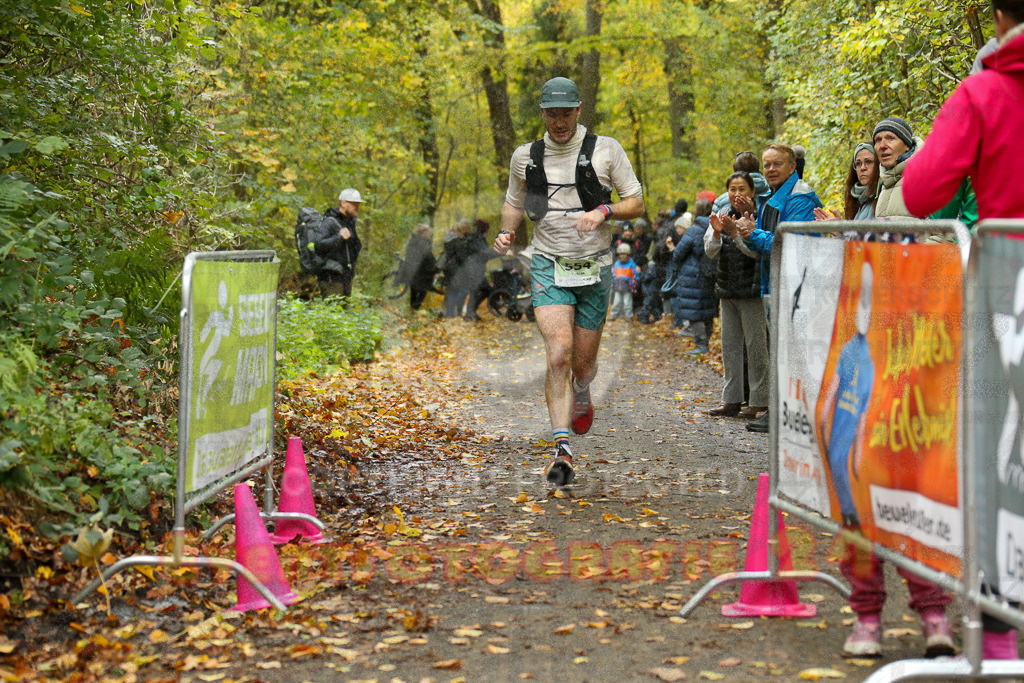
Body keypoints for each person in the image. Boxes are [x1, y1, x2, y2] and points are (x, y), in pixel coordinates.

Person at [901, 0, 1024, 658]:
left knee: (1000, 455)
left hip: (1007, 292)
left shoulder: (984, 90)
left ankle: (1000, 636)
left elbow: (921, 193)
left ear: (1000, 16)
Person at [494, 76, 645, 486]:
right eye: (551, 113)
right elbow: (513, 201)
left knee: (583, 363)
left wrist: (604, 212)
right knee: (557, 353)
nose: (559, 121)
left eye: (566, 112)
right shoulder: (526, 156)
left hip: (594, 266)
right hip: (547, 263)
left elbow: (636, 201)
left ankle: (583, 387)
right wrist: (507, 233)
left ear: (578, 110)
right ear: (542, 113)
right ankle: (561, 450)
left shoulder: (606, 149)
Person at [815, 262, 955, 659]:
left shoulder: (908, 348)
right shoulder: (851, 350)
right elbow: (829, 408)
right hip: (852, 476)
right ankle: (868, 619)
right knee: (861, 545)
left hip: (897, 476)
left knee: (911, 541)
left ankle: (934, 617)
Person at [734, 143, 823, 432]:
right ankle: (780, 411)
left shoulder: (800, 197)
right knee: (781, 350)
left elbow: (789, 244)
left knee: (794, 351)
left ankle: (791, 415)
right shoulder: (771, 198)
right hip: (774, 283)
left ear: (792, 166)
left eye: (777, 164)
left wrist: (754, 233)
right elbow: (763, 244)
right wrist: (748, 231)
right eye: (767, 164)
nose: (771, 169)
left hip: (797, 286)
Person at [705, 172, 768, 418]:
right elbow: (710, 251)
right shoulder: (721, 214)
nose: (737, 194)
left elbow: (756, 252)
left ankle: (759, 401)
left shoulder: (759, 216)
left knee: (756, 347)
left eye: (742, 189)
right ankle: (730, 400)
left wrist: (736, 233)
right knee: (729, 346)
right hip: (727, 289)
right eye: (733, 189)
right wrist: (719, 232)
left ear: (752, 191)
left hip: (752, 291)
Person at [667, 198, 718, 354]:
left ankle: (701, 344)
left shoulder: (694, 230)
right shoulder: (715, 227)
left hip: (693, 276)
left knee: (694, 312)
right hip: (711, 274)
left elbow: (678, 254)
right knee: (707, 310)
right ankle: (704, 341)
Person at [315, 188, 364, 297]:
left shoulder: (350, 223)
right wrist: (340, 237)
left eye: (358, 205)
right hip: (331, 278)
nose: (357, 207)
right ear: (343, 203)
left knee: (343, 314)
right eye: (354, 204)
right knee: (332, 313)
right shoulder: (330, 221)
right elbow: (318, 245)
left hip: (345, 278)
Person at [814, 143, 879, 222]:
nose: (862, 168)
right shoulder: (858, 200)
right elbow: (856, 233)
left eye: (868, 162)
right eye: (858, 164)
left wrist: (842, 230)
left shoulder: (882, 195)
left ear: (878, 164)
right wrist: (840, 228)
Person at [399, 223, 437, 311]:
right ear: (424, 232)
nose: (429, 234)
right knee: (423, 291)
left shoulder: (412, 241)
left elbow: (408, 254)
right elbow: (428, 257)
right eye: (428, 232)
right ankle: (415, 309)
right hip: (423, 271)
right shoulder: (424, 243)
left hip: (412, 269)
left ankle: (412, 309)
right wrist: (434, 269)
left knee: (414, 290)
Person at [442, 219, 474, 318]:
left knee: (453, 291)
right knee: (463, 290)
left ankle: (450, 313)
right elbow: (462, 257)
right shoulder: (458, 241)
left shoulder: (448, 239)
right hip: (456, 269)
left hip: (449, 268)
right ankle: (455, 313)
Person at [609, 243, 639, 321]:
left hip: (628, 287)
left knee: (627, 303)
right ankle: (614, 315)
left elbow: (635, 276)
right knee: (616, 302)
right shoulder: (617, 263)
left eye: (624, 254)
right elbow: (614, 275)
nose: (622, 256)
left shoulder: (631, 264)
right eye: (621, 254)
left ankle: (629, 316)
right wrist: (612, 283)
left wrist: (634, 285)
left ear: (628, 254)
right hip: (617, 286)